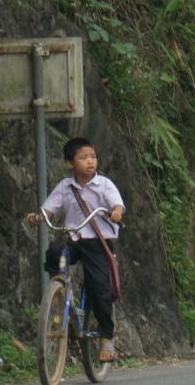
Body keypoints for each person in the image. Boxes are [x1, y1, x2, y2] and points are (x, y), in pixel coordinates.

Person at [26, 136, 126, 362]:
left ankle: (106, 338)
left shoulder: (104, 185)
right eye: (83, 158)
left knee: (100, 288)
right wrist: (37, 218)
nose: (90, 161)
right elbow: (48, 210)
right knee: (54, 249)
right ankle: (57, 290)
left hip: (97, 244)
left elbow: (116, 203)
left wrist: (116, 212)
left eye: (93, 156)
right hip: (75, 238)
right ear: (70, 164)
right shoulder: (65, 187)